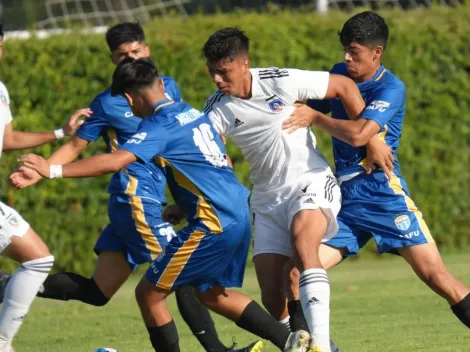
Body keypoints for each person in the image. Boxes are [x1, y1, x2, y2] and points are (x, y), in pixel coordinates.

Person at [17, 57, 312, 352]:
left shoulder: (158, 126)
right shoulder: (191, 112)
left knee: (148, 294)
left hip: (212, 222)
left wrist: (52, 169)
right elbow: (212, 165)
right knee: (212, 294)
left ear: (130, 98)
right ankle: (289, 341)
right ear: (160, 84)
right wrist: (184, 207)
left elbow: (116, 160)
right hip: (235, 211)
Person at [282, 11, 470, 332]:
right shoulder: (340, 73)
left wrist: (314, 119)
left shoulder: (392, 88)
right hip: (346, 201)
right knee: (297, 273)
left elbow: (358, 134)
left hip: (383, 195)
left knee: (438, 279)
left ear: (376, 53)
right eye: (344, 50)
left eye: (354, 52)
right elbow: (309, 103)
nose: (346, 58)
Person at [201, 27, 373, 352]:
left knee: (303, 248)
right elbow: (205, 151)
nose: (218, 80)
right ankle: (303, 344)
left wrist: (371, 139)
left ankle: (320, 345)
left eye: (223, 72)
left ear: (244, 64)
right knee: (271, 294)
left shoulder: (279, 80)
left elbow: (344, 86)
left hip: (309, 180)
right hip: (267, 198)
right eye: (212, 73)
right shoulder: (216, 109)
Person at [0, 24, 86, 351]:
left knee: (37, 259)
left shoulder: (1, 90)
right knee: (37, 260)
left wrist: (60, 132)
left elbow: (8, 140)